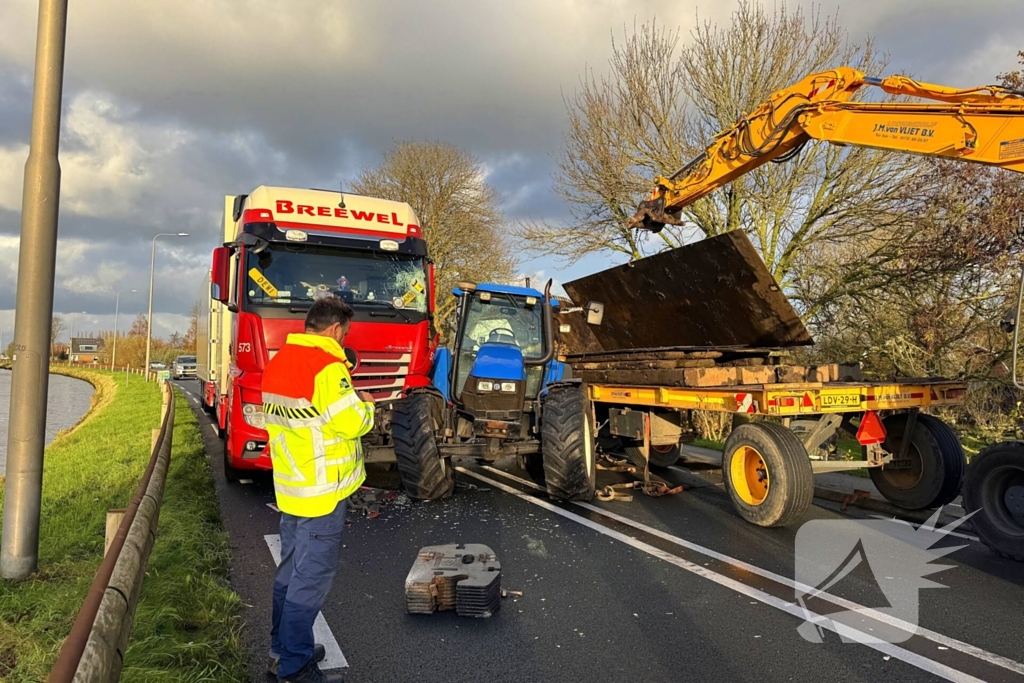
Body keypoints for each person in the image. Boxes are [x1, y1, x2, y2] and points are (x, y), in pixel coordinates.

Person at [261, 296, 375, 682]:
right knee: (309, 581)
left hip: (292, 487)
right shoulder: (327, 367)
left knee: (290, 572)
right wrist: (368, 406)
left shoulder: (279, 362)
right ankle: (295, 667)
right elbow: (349, 422)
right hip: (322, 493)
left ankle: (284, 646)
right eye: (345, 333)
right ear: (334, 330)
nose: (344, 340)